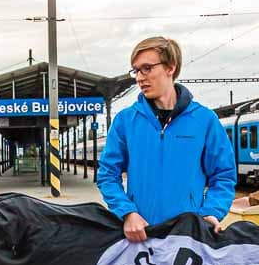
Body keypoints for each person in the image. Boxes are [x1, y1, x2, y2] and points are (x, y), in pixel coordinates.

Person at [97, 36, 237, 243]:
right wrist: (127, 213)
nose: (139, 78)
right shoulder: (125, 121)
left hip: (188, 236)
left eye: (147, 68)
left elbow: (223, 176)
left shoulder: (205, 120)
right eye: (136, 70)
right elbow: (108, 175)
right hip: (141, 234)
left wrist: (211, 213)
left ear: (170, 68)